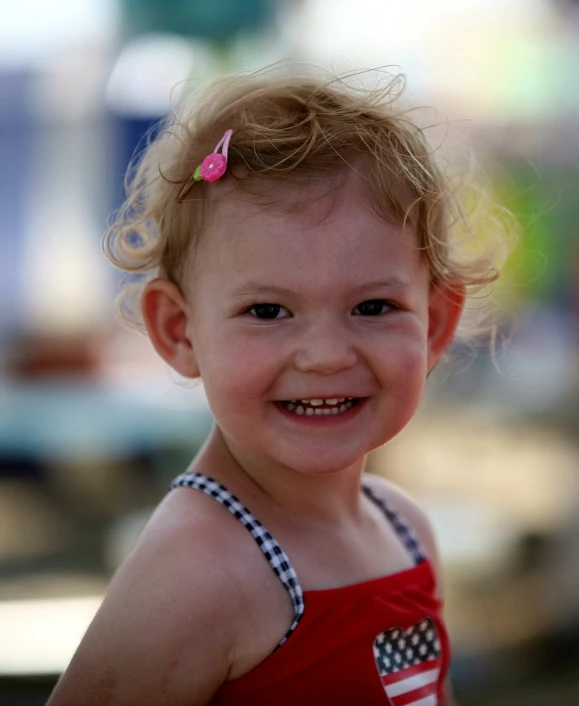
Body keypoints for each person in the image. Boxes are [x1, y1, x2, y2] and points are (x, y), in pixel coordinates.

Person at [47, 69, 512, 706]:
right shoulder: (199, 566)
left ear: (434, 323)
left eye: (373, 307)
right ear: (180, 331)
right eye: (268, 312)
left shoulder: (405, 529)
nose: (324, 356)